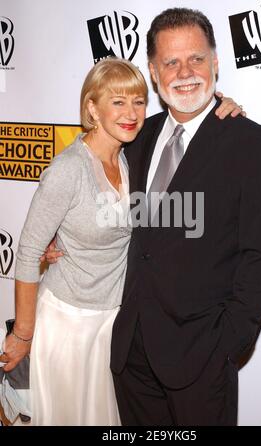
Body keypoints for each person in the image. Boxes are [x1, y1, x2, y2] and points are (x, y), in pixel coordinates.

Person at [0, 57, 242, 426]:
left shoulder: (135, 154)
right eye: (118, 102)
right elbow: (31, 251)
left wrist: (221, 103)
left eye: (139, 101)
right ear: (92, 108)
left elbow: (187, 123)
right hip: (68, 325)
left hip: (114, 327)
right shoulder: (68, 170)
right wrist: (23, 333)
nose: (131, 113)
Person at [109, 8, 261, 426]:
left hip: (202, 358)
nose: (185, 72)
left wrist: (228, 342)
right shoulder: (137, 136)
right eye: (171, 62)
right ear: (154, 73)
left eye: (196, 58)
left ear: (216, 63)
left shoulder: (252, 144)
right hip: (132, 352)